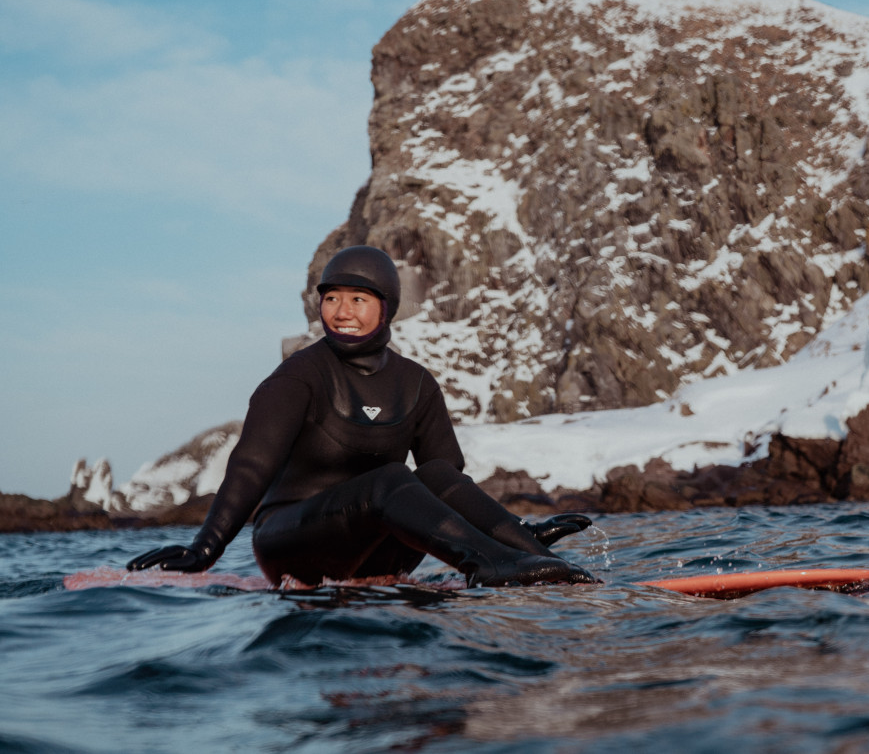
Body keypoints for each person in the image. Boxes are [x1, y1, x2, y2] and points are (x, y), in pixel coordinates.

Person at [129, 245, 596, 588]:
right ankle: (493, 565)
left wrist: (512, 533)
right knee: (391, 478)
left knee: (429, 473)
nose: (342, 311)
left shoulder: (415, 382)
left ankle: (528, 558)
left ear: (385, 307)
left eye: (358, 299)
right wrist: (204, 550)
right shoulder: (298, 377)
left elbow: (445, 482)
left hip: (376, 549)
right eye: (332, 298)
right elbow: (251, 466)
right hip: (293, 543)